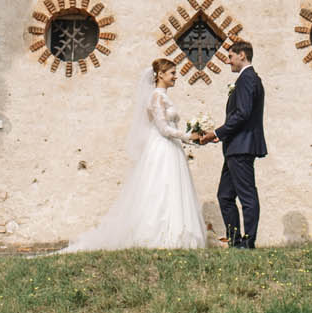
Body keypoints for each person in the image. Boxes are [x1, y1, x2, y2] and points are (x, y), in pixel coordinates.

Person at [62, 57, 207, 251]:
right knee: (161, 188)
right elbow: (163, 128)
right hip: (162, 147)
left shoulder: (164, 96)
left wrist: (192, 136)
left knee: (173, 188)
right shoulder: (156, 97)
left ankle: (177, 234)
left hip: (172, 148)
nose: (175, 77)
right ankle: (159, 235)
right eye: (172, 73)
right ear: (160, 74)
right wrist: (189, 136)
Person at [193, 39, 266, 248]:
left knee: (247, 195)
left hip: (242, 146)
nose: (228, 61)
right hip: (235, 146)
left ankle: (248, 241)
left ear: (242, 55)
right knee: (225, 196)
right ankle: (234, 241)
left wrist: (216, 132)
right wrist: (220, 135)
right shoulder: (247, 79)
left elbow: (242, 114)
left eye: (231, 56)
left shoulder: (247, 79)